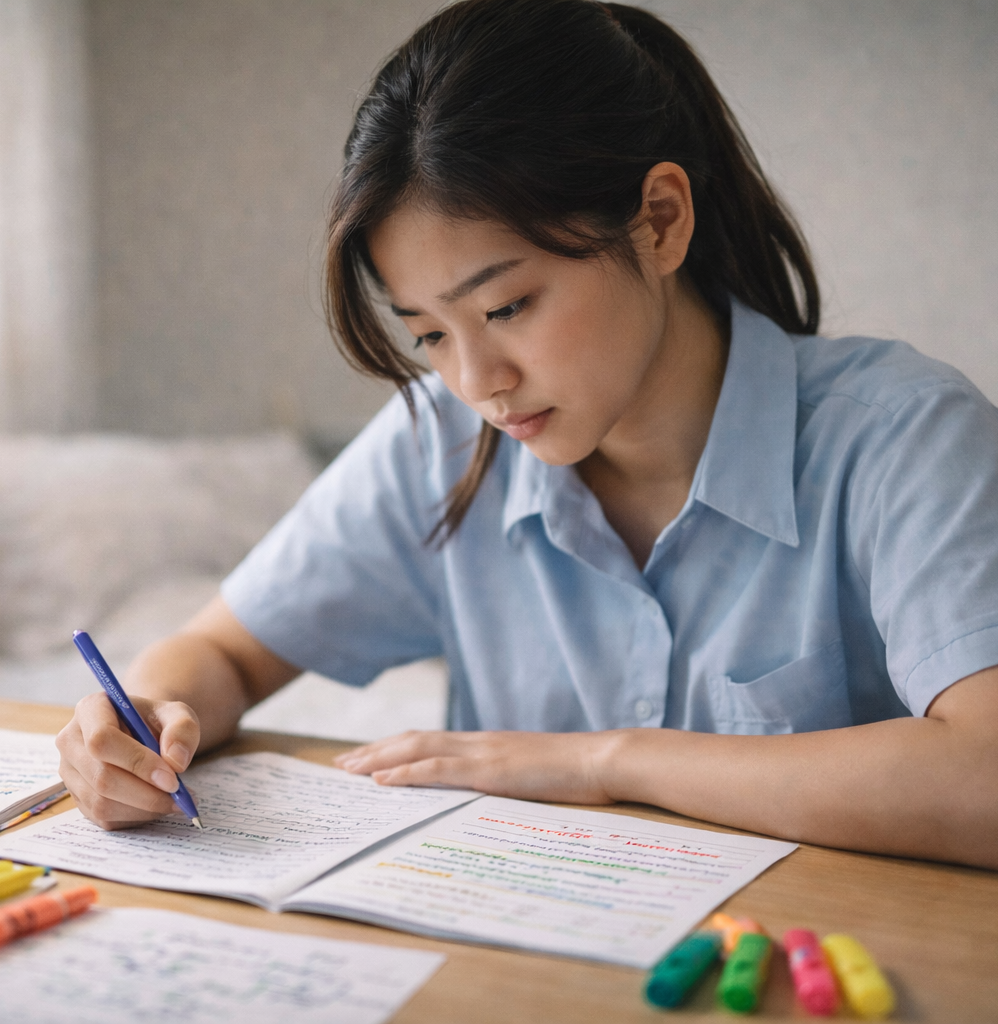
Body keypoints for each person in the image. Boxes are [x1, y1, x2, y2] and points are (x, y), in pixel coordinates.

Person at [57, 0, 998, 870]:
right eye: (428, 333)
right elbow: (219, 655)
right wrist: (143, 719)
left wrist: (608, 762)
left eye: (507, 305)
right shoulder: (441, 443)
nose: (477, 383)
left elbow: (984, 776)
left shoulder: (904, 436)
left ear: (660, 222)